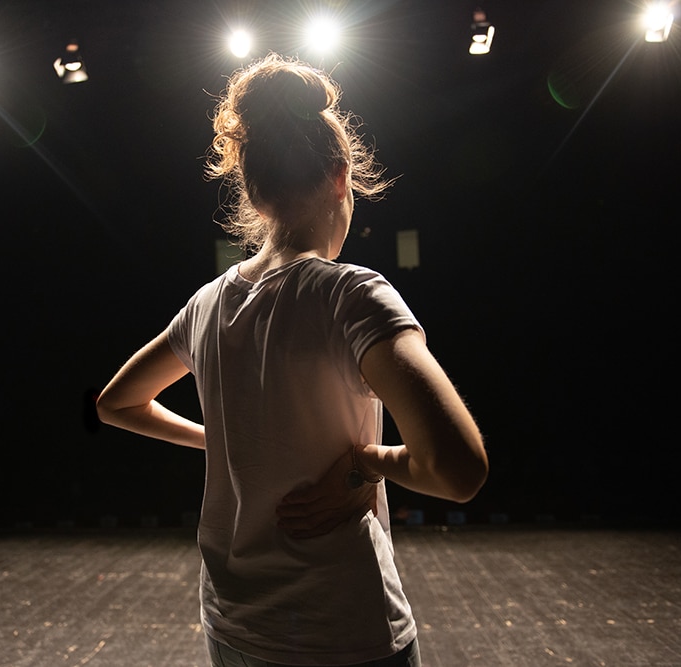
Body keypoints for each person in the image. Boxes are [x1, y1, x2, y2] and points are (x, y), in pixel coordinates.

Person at [96, 52, 488, 667]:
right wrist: (365, 464)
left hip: (233, 625)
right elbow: (457, 468)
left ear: (251, 186)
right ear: (340, 176)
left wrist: (221, 440)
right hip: (343, 631)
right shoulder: (350, 294)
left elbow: (117, 404)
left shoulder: (207, 304)